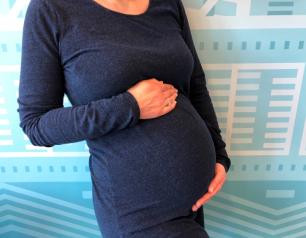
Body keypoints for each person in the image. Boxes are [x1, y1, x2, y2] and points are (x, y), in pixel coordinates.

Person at [17, 0, 231, 237]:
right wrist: (131, 106)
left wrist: (219, 155)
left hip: (194, 202)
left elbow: (195, 84)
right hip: (140, 211)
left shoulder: (168, 3)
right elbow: (36, 125)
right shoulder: (51, 9)